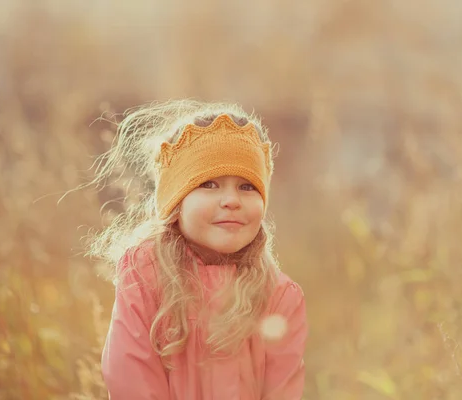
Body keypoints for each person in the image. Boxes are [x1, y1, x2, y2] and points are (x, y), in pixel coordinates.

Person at [90, 99, 308, 399]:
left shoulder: (279, 296)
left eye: (247, 187)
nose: (232, 200)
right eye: (210, 184)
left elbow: (283, 390)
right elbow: (132, 378)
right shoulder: (145, 275)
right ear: (176, 203)